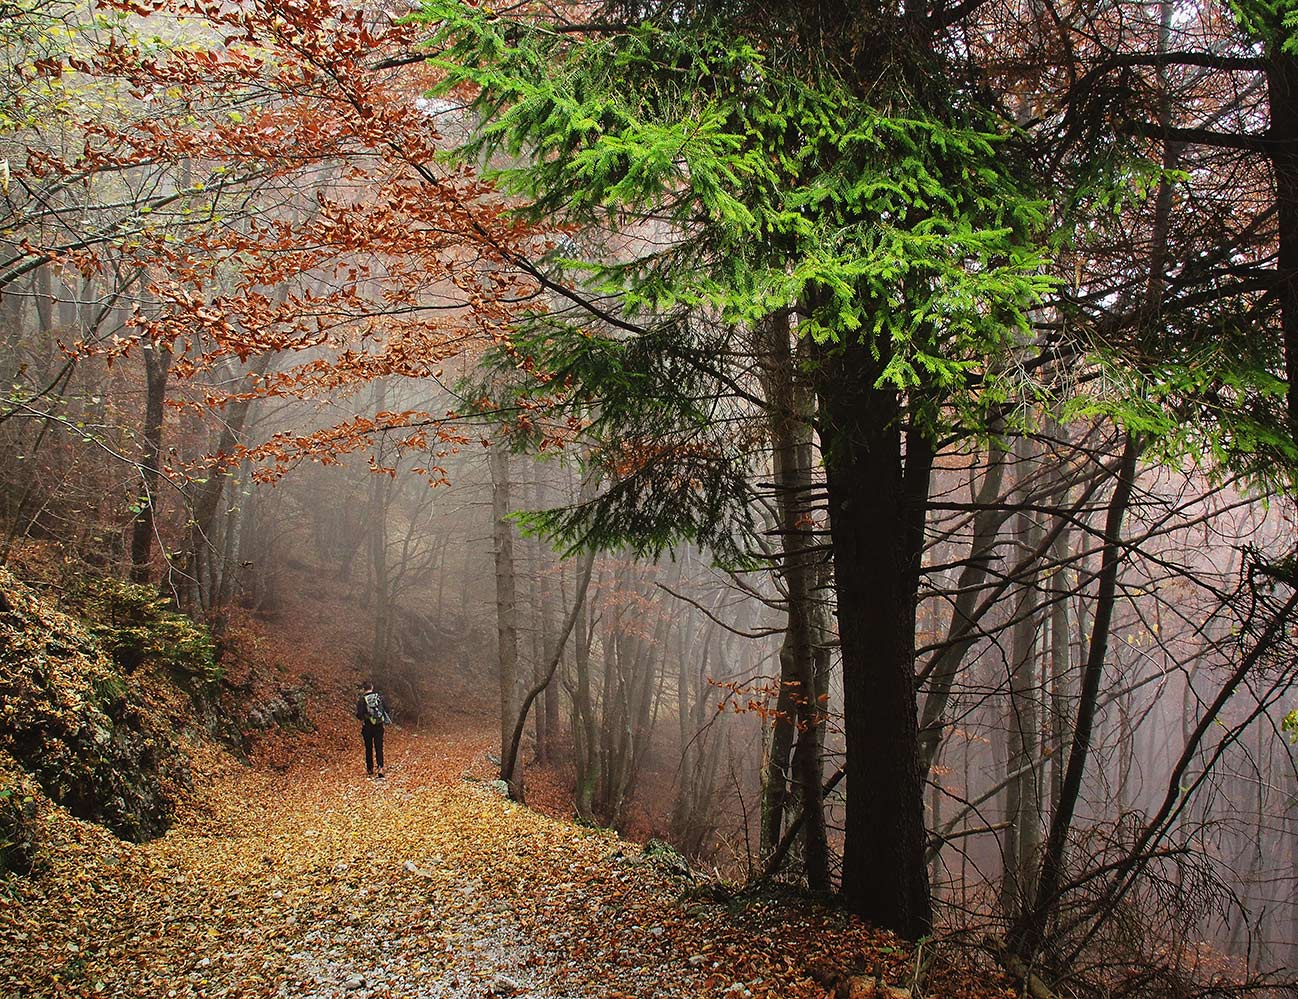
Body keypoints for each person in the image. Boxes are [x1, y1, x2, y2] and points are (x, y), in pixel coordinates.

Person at [354, 681, 390, 778]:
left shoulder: (362, 700)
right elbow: (386, 709)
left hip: (367, 726)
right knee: (379, 747)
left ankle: (370, 769)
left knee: (368, 747)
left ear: (363, 689)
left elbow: (359, 715)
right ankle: (380, 767)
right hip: (378, 725)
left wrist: (366, 716)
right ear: (372, 687)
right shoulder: (379, 697)